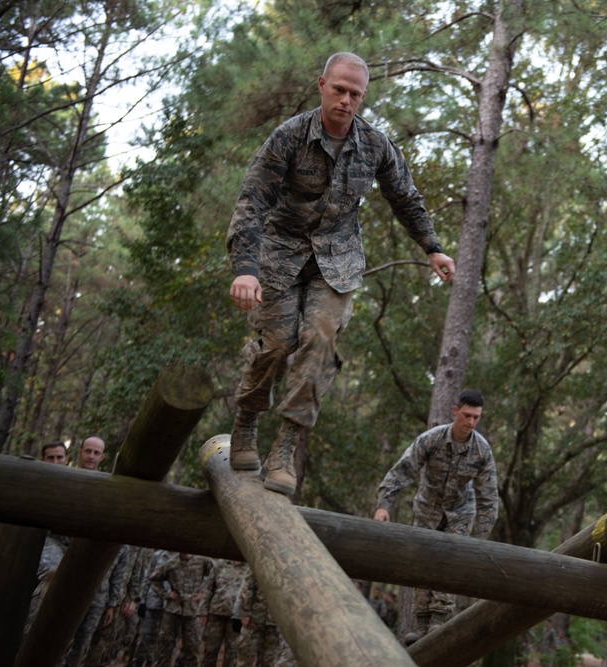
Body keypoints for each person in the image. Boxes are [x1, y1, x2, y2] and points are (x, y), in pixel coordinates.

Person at [226, 50, 455, 497]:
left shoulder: (374, 145)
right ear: (321, 85)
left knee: (320, 340)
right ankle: (247, 421)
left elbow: (405, 198)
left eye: (356, 94)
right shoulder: (289, 137)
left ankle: (285, 448)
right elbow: (252, 201)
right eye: (339, 90)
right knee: (276, 345)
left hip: (337, 259)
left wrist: (433, 248)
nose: (347, 100)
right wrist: (246, 270)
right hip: (281, 252)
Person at [373, 389, 498, 644]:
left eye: (476, 417)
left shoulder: (482, 451)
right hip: (427, 510)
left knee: (450, 564)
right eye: (466, 415)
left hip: (460, 514)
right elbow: (401, 471)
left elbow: (488, 498)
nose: (471, 422)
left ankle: (439, 621)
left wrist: (481, 538)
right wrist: (383, 505)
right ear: (455, 411)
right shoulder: (431, 440)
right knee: (423, 564)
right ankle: (420, 623)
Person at [149, 552, 214, 667]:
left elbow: (216, 575)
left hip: (193, 611)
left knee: (192, 648)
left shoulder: (202, 561)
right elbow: (154, 579)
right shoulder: (171, 563)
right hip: (173, 610)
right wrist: (166, 594)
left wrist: (204, 594)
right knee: (165, 646)